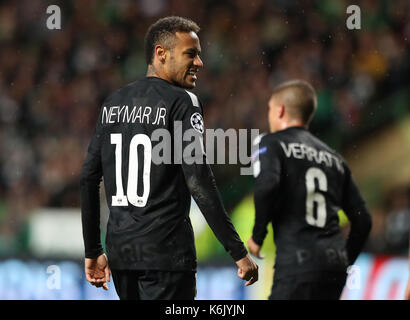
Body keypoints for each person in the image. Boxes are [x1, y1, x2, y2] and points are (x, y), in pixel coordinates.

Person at [79, 16, 258, 300]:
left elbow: (89, 178)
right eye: (191, 54)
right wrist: (238, 251)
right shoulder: (182, 102)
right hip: (167, 255)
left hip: (122, 254)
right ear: (161, 54)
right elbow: (198, 179)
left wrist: (93, 250)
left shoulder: (113, 103)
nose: (199, 63)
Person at [247, 79, 372, 300]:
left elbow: (268, 185)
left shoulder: (271, 143)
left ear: (280, 110)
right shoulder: (334, 158)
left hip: (297, 261)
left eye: (269, 109)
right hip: (334, 266)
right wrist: (344, 259)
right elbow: (363, 220)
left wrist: (257, 236)